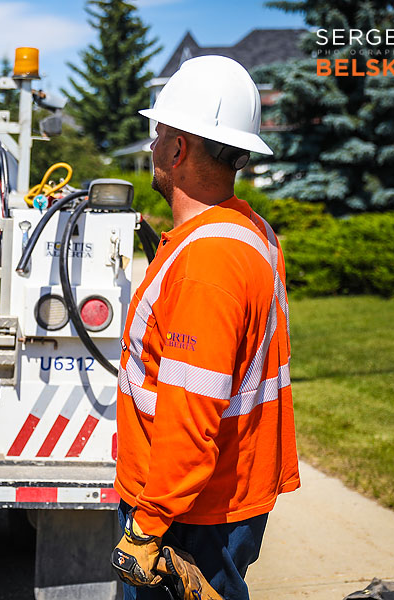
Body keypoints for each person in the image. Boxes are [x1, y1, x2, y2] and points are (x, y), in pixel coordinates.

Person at [110, 56, 301, 600]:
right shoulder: (249, 230)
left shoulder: (208, 262)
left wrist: (149, 525)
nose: (151, 147)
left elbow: (193, 407)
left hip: (187, 512)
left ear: (179, 148)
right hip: (218, 497)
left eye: (158, 134)